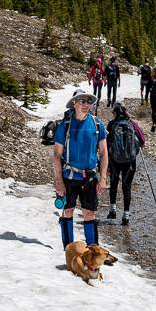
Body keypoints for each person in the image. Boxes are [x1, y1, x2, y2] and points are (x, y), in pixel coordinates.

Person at [52, 89, 109, 250]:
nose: (86, 104)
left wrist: (103, 178)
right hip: (69, 176)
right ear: (74, 104)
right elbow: (57, 155)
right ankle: (69, 249)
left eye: (88, 101)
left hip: (90, 177)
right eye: (82, 101)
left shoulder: (97, 124)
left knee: (89, 212)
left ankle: (93, 250)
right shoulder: (65, 125)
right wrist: (58, 182)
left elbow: (104, 153)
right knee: (68, 210)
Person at [106, 103, 145, 225]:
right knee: (126, 187)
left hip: (114, 160)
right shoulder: (132, 124)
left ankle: (113, 210)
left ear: (115, 113)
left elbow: (106, 143)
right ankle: (126, 215)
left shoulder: (112, 124)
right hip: (130, 161)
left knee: (114, 182)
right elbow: (142, 141)